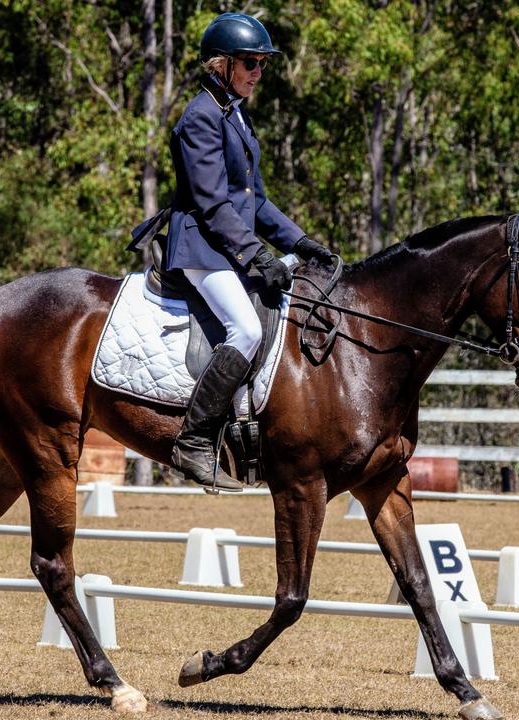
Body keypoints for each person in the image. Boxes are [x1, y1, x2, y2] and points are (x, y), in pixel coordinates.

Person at [156, 12, 334, 491]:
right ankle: (193, 442)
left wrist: (301, 243)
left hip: (226, 241)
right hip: (200, 247)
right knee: (247, 328)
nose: (259, 72)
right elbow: (214, 204)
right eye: (251, 62)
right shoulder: (201, 117)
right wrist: (259, 257)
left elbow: (254, 199)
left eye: (262, 63)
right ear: (222, 65)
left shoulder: (234, 112)